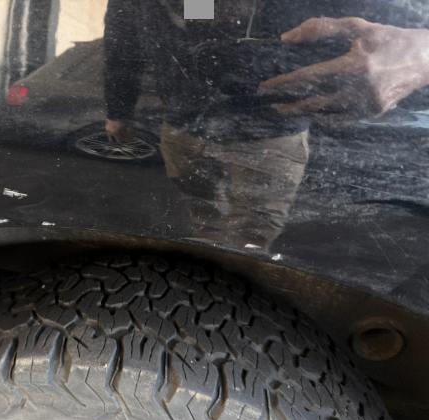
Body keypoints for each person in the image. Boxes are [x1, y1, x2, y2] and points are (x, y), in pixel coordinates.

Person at [103, 0, 429, 247]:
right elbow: (123, 44)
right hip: (182, 126)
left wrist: (421, 49)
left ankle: (234, 288)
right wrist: (118, 111)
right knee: (202, 214)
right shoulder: (175, 7)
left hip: (270, 132)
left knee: (253, 233)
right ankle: (210, 272)